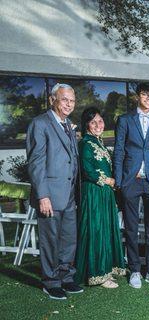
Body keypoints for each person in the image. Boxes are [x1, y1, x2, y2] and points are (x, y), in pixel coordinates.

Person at [26, 83, 83, 300]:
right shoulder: (40, 124)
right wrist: (43, 195)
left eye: (72, 100)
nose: (69, 104)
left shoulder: (68, 124)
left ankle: (66, 277)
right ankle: (51, 281)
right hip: (49, 194)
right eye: (64, 99)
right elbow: (36, 162)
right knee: (50, 240)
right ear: (52, 100)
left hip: (69, 194)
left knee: (68, 238)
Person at [113, 83, 149, 289]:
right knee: (130, 226)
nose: (148, 98)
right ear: (138, 96)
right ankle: (135, 270)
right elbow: (118, 150)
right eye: (145, 95)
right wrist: (118, 180)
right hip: (131, 179)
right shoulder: (125, 120)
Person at [74, 108, 125, 288]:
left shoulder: (99, 142)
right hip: (94, 192)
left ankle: (106, 270)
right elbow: (87, 170)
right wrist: (109, 180)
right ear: (86, 124)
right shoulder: (85, 144)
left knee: (105, 229)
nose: (98, 125)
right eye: (93, 122)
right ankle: (97, 273)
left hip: (105, 193)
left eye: (100, 121)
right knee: (96, 230)